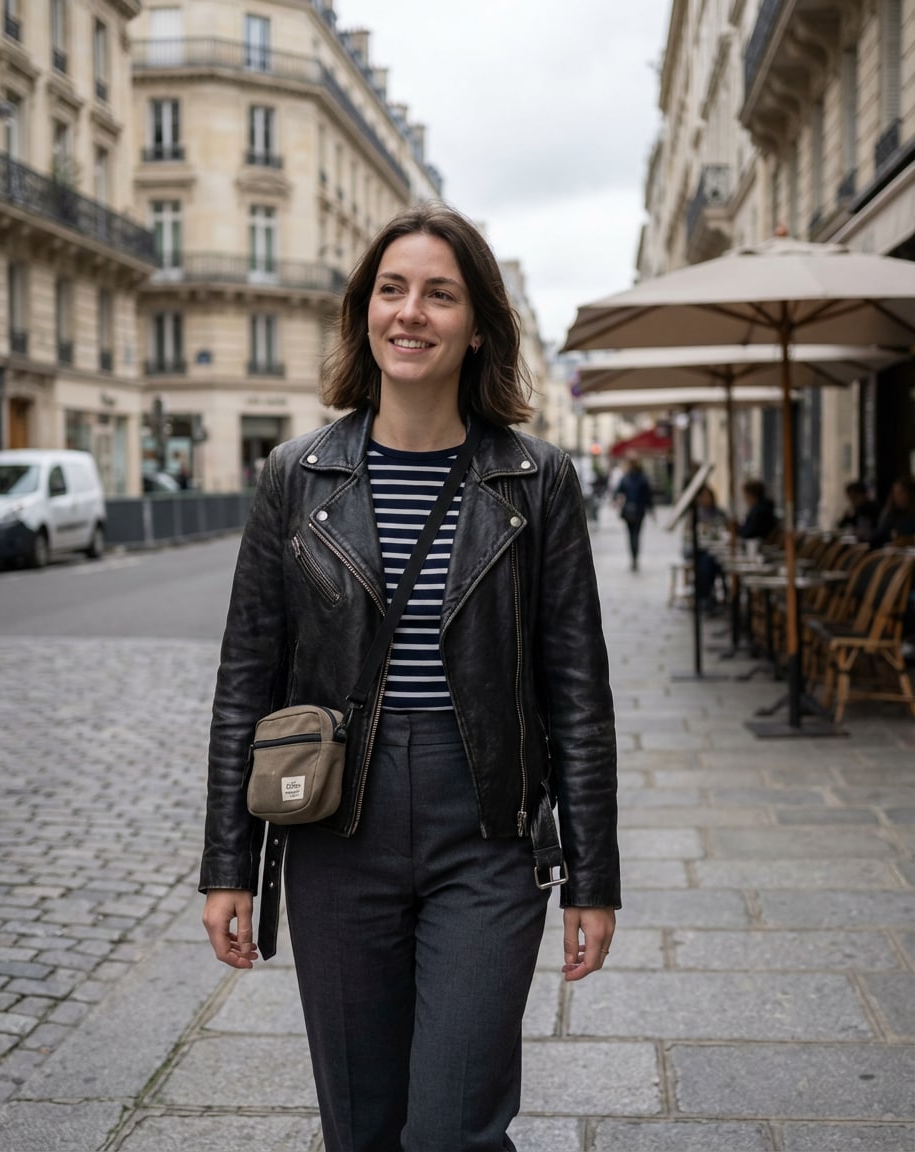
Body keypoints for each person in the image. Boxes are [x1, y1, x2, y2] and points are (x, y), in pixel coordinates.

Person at [200, 202, 620, 1152]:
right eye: (392, 289)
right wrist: (229, 865)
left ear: (479, 327)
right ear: (365, 311)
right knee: (359, 1124)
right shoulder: (296, 477)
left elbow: (578, 693)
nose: (411, 312)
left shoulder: (538, 479)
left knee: (452, 1127)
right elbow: (246, 681)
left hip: (491, 828)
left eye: (440, 294)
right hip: (335, 827)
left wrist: (593, 878)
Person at [614, 454, 654, 571]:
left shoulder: (627, 478)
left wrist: (616, 500)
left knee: (632, 535)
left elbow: (618, 492)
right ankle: (635, 557)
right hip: (637, 510)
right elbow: (648, 496)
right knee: (635, 535)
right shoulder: (641, 478)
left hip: (631, 510)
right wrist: (650, 509)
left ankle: (634, 557)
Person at [692, 484, 728, 611]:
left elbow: (724, 531)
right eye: (704, 496)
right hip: (701, 550)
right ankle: (705, 596)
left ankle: (707, 597)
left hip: (717, 550)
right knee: (705, 563)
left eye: (708, 496)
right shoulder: (697, 513)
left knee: (711, 562)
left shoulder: (719, 513)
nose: (706, 499)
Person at [871, 475, 915, 548]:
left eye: (900, 493)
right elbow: (880, 536)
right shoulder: (893, 514)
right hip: (889, 551)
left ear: (910, 493)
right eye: (894, 493)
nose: (896, 497)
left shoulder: (912, 515)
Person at [737, 477, 778, 542]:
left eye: (746, 495)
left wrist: (736, 529)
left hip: (759, 544)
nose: (745, 498)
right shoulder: (763, 507)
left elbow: (749, 532)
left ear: (751, 495)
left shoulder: (759, 511)